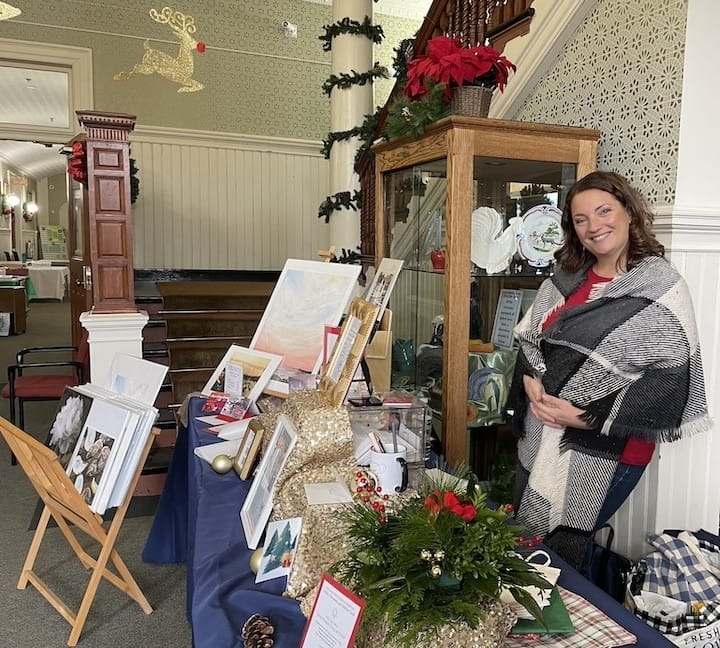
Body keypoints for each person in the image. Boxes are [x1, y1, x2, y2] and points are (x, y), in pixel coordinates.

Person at [509, 170, 711, 571]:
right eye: (581, 219)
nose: (594, 227)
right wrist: (531, 380)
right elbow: (531, 342)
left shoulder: (660, 287)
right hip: (542, 433)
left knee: (560, 550)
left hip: (611, 450)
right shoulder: (566, 277)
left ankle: (569, 625)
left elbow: (671, 384)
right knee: (530, 543)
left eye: (604, 212)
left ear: (629, 212)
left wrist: (583, 417)